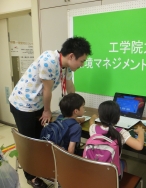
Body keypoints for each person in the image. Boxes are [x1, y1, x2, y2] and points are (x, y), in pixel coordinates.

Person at [9, 36, 92, 188]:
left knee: (42, 140)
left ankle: (41, 169)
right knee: (30, 143)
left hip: (37, 103)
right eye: (81, 61)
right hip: (23, 104)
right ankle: (31, 176)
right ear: (71, 56)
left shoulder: (65, 66)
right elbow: (47, 90)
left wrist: (74, 112)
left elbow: (69, 86)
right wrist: (47, 111)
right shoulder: (50, 60)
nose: (82, 64)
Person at [89, 100, 145, 178]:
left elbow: (91, 123)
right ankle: (119, 183)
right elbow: (139, 146)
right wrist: (141, 132)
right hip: (111, 174)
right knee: (123, 162)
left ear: (100, 117)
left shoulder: (93, 128)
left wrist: (93, 117)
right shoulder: (121, 132)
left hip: (94, 168)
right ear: (118, 119)